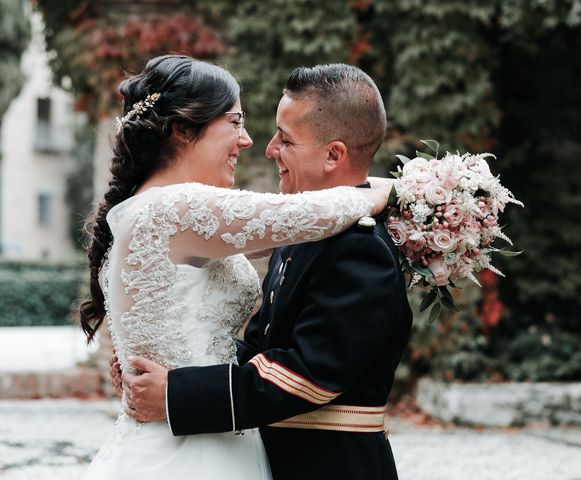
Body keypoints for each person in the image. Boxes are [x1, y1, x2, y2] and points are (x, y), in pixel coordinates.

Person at [80, 55, 391, 480]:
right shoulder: (174, 208)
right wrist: (394, 189)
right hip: (187, 450)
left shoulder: (164, 211)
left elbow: (246, 343)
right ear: (184, 129)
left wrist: (178, 390)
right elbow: (306, 214)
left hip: (208, 430)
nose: (249, 141)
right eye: (235, 121)